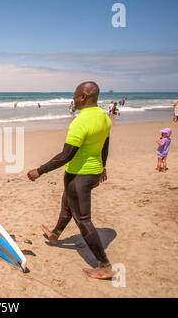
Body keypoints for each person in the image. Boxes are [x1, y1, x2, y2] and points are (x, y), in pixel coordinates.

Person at [27, 81, 114, 279]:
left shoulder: (80, 121)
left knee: (83, 220)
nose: (73, 99)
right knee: (67, 204)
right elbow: (105, 145)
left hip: (79, 176)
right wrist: (103, 166)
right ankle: (55, 234)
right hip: (93, 173)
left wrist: (39, 171)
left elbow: (66, 155)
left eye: (75, 95)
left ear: (82, 97)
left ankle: (105, 265)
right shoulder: (103, 117)